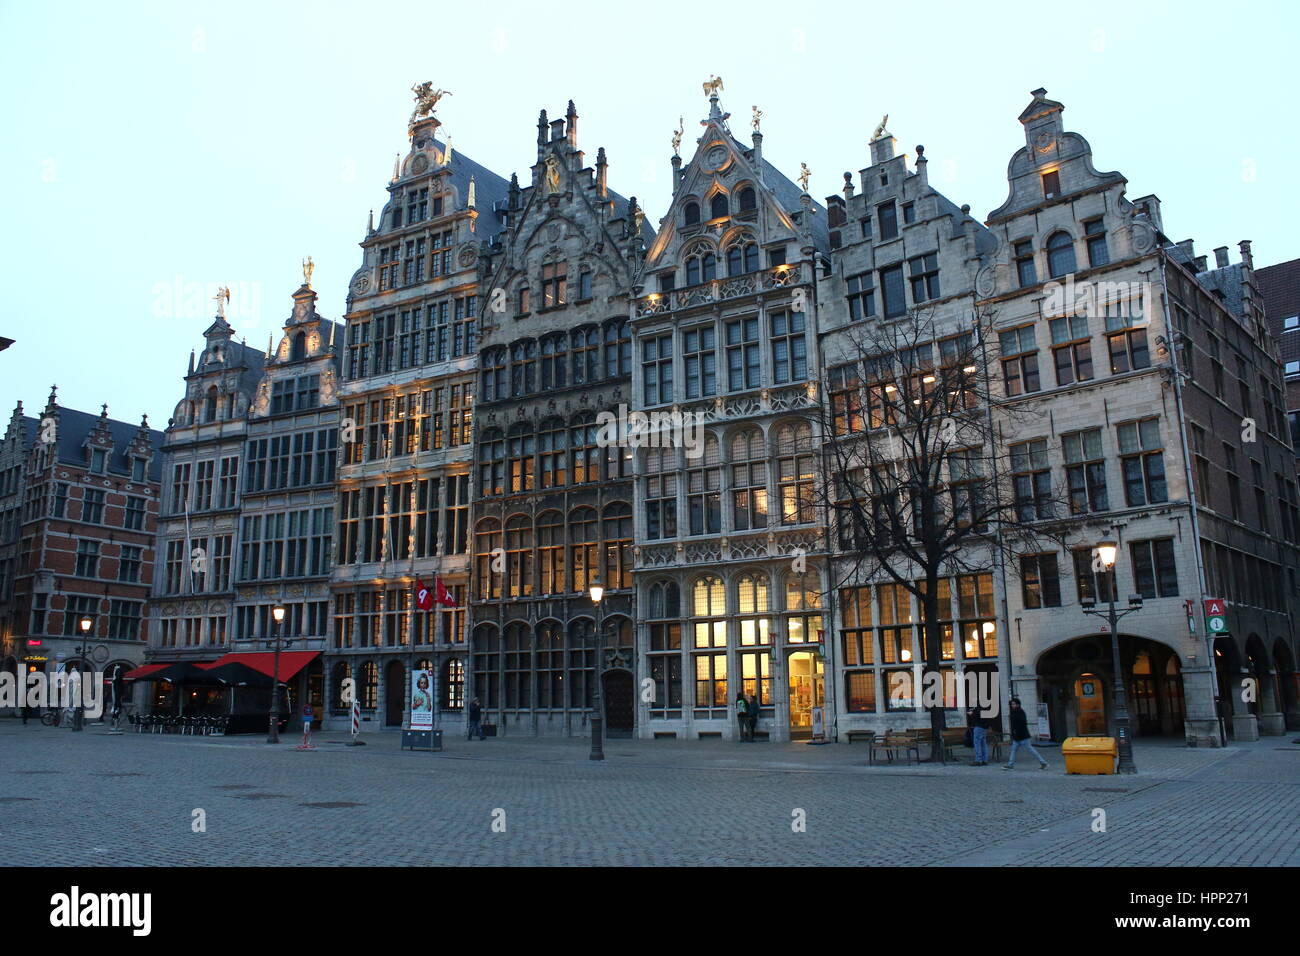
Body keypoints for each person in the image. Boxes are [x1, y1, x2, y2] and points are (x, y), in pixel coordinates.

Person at [1004, 697, 1048, 770]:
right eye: (1012, 704)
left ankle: (1043, 762)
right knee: (1014, 750)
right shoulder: (1015, 711)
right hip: (1018, 736)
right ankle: (1010, 764)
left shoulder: (1019, 712)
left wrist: (1016, 731)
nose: (1012, 705)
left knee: (1030, 750)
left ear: (1018, 704)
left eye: (1014, 704)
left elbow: (1022, 723)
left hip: (1022, 736)